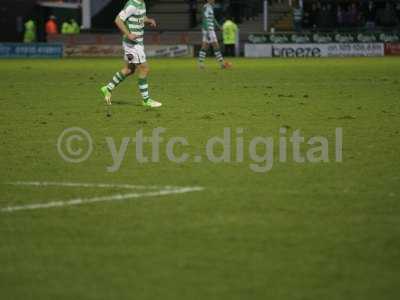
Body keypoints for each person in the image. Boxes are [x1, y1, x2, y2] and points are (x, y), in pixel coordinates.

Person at [100, 0, 162, 108]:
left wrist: (148, 20)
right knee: (144, 68)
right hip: (133, 45)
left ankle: (107, 88)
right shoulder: (132, 4)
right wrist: (128, 34)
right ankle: (146, 100)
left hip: (135, 43)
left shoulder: (142, 3)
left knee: (129, 69)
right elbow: (118, 20)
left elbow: (140, 17)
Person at [198, 0, 229, 69]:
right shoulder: (205, 7)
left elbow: (213, 18)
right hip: (208, 29)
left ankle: (201, 64)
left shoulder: (211, 7)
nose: (213, 0)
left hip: (210, 29)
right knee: (215, 46)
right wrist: (208, 30)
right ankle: (222, 63)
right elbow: (204, 19)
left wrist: (219, 26)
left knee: (205, 46)